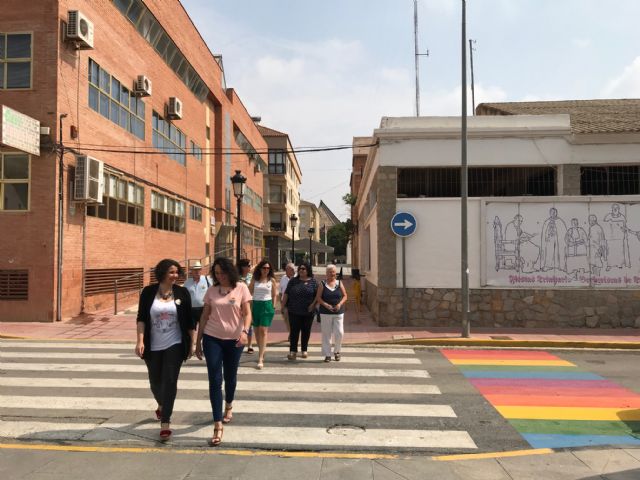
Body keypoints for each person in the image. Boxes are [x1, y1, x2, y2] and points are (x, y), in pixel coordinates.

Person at [135, 259, 195, 441]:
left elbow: (190, 321)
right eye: (171, 272)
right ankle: (162, 404)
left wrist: (192, 343)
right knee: (155, 382)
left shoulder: (183, 293)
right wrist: (139, 341)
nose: (175, 275)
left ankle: (166, 422)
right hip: (153, 345)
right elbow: (141, 318)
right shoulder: (148, 292)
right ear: (162, 273)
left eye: (177, 272)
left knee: (169, 382)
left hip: (175, 344)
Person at [195, 257, 252, 447]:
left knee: (230, 376)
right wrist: (198, 341)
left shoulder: (241, 288)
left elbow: (247, 313)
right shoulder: (211, 291)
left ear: (230, 272)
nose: (220, 276)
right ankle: (217, 424)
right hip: (212, 338)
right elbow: (204, 316)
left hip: (235, 340)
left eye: (223, 272)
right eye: (216, 273)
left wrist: (245, 332)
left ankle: (229, 405)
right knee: (214, 378)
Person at [282, 262, 317, 360]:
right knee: (294, 331)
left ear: (308, 270)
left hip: (308, 311)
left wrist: (313, 304)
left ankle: (304, 350)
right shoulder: (293, 281)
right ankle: (293, 351)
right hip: (294, 310)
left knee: (306, 331)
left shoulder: (313, 282)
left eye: (303, 269)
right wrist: (283, 306)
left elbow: (317, 296)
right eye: (300, 269)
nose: (301, 270)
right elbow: (286, 293)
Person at [315, 264, 348, 362]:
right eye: (329, 272)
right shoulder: (322, 284)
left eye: (333, 272)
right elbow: (318, 298)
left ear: (336, 273)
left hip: (338, 312)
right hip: (325, 312)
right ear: (326, 273)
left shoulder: (339, 283)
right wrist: (326, 305)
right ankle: (327, 354)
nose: (332, 273)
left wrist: (339, 304)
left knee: (340, 333)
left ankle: (337, 351)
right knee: (326, 334)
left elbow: (345, 295)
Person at [249, 260, 277, 369]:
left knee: (263, 330)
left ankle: (260, 358)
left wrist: (273, 307)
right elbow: (249, 292)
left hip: (267, 305)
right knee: (256, 331)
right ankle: (262, 349)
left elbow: (275, 295)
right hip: (256, 305)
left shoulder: (272, 280)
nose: (266, 270)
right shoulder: (254, 280)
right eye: (264, 268)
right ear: (260, 269)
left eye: (268, 268)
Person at [183, 261, 210, 328]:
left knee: (205, 328)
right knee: (191, 328)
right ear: (191, 271)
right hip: (191, 309)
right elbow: (184, 295)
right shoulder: (187, 282)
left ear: (201, 270)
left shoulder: (207, 279)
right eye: (195, 270)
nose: (197, 272)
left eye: (199, 269)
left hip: (204, 309)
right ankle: (193, 339)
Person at [237, 258, 255, 354]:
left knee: (249, 322)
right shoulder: (236, 277)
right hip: (238, 303)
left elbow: (252, 290)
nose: (250, 267)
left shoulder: (251, 277)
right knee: (239, 321)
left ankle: (250, 344)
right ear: (242, 267)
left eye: (250, 266)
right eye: (248, 266)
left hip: (248, 302)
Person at [279, 263, 296, 333]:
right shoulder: (283, 278)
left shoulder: (298, 277)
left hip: (295, 302)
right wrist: (281, 304)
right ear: (286, 270)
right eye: (291, 269)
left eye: (293, 269)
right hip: (285, 302)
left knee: (295, 319)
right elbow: (280, 292)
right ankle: (291, 333)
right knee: (287, 319)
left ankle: (294, 333)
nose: (293, 271)